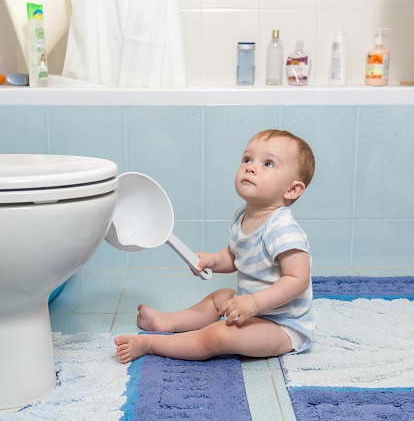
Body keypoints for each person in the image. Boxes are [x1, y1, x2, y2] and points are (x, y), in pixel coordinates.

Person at [114, 129, 315, 363]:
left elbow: (297, 280)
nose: (251, 167)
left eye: (268, 163)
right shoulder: (243, 216)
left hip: (282, 326)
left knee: (218, 335)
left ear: (292, 189)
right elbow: (235, 257)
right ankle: (169, 321)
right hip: (253, 309)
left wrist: (253, 303)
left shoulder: (282, 228)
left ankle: (151, 344)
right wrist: (214, 261)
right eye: (247, 159)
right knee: (219, 297)